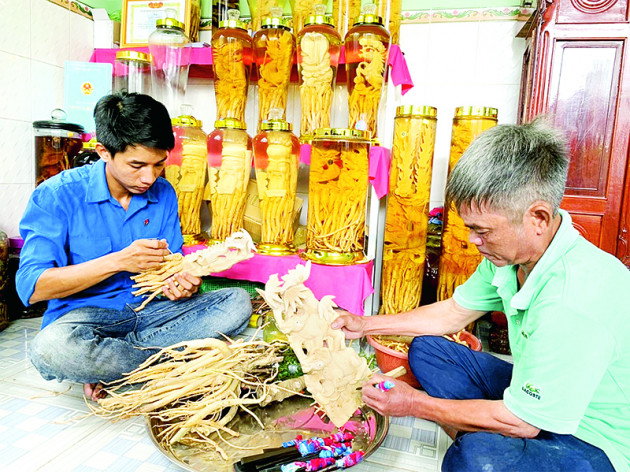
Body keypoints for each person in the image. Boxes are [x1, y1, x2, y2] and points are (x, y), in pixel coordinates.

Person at [333, 120, 630, 472]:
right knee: (428, 350)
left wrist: (413, 404)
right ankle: (489, 427)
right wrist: (365, 324)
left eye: (482, 230)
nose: (473, 241)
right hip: (539, 398)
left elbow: (524, 422)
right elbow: (453, 313)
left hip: (593, 437)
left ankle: (493, 434)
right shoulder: (509, 259)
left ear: (537, 217)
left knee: (474, 460)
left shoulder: (572, 298)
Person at [17, 93, 252, 402]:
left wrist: (181, 285)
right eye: (137, 165)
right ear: (103, 151)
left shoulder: (164, 192)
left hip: (149, 312)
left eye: (158, 165)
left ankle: (118, 366)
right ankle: (161, 361)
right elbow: (31, 288)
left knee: (237, 302)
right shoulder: (58, 195)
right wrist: (117, 261)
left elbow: (173, 268)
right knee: (52, 348)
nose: (148, 177)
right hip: (86, 319)